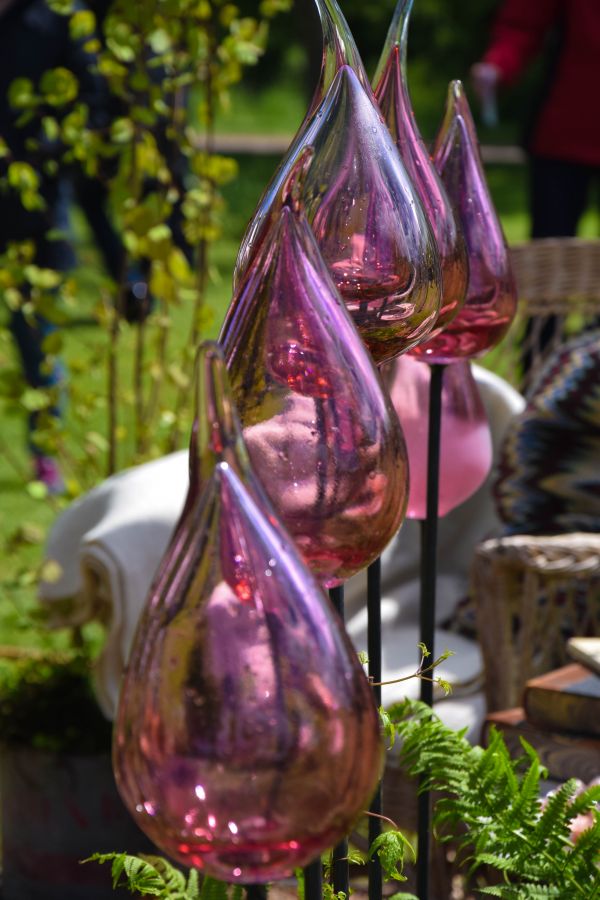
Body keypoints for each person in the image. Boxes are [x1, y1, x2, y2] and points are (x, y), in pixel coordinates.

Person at [471, 0, 600, 372]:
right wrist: (498, 65)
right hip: (563, 133)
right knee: (548, 275)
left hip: (563, 131)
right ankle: (537, 381)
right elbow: (523, 23)